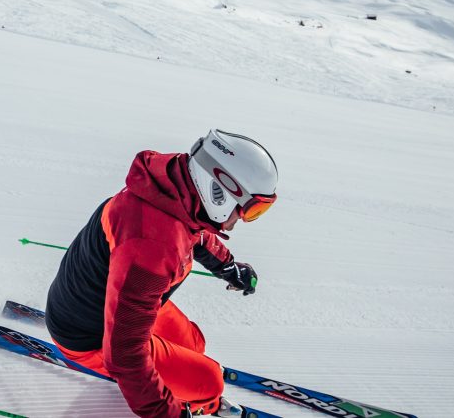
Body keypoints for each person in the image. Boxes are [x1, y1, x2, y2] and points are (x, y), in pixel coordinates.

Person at [44, 129, 278, 418]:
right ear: (220, 191)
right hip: (89, 336)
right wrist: (166, 412)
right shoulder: (152, 247)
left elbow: (195, 231)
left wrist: (226, 266)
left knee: (194, 344)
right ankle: (206, 404)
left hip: (111, 301)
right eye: (252, 210)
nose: (244, 219)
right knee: (208, 383)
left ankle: (185, 376)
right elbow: (123, 353)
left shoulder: (171, 190)